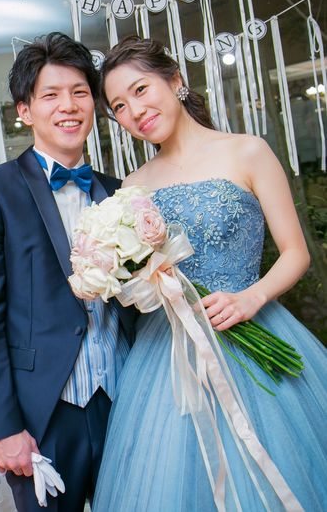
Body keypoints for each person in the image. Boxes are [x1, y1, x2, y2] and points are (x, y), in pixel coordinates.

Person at [92, 35, 327, 511]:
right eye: (119, 106)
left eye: (140, 90)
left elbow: (295, 253)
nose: (134, 111)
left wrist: (251, 297)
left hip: (252, 330)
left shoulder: (247, 152)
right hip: (168, 357)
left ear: (175, 80)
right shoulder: (132, 188)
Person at [0, 32, 135, 511]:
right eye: (50, 95)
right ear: (25, 111)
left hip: (125, 400)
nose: (68, 106)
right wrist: (3, 428)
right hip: (43, 415)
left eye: (79, 92)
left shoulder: (121, 193)